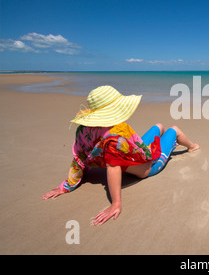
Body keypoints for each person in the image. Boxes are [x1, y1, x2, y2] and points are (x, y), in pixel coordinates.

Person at [42, 85, 199, 225]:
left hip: (133, 153)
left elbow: (79, 157)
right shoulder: (115, 136)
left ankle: (165, 134)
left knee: (158, 126)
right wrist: (116, 203)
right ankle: (192, 146)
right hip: (146, 167)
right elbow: (113, 167)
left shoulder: (83, 130)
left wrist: (67, 186)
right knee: (173, 130)